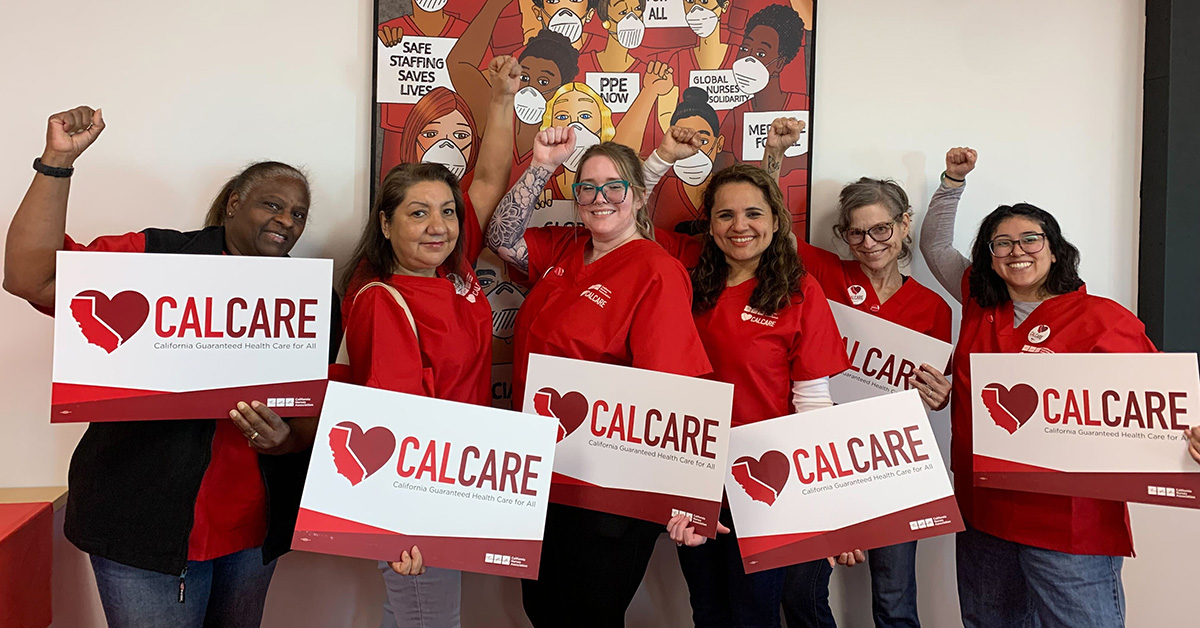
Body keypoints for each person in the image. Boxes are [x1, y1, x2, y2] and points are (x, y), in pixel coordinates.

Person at [3, 106, 335, 628]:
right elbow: (29, 278)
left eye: (299, 215)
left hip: (250, 538)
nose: (287, 221)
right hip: (140, 531)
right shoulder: (155, 260)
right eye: (273, 204)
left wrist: (286, 441)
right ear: (232, 203)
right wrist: (57, 163)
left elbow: (315, 413)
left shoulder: (311, 302)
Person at [919, 147, 1158, 628]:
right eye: (1001, 244)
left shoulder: (1102, 318)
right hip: (984, 513)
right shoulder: (979, 302)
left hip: (1068, 522)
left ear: (1054, 247)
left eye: (1030, 239)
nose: (1016, 251)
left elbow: (1154, 402)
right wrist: (951, 182)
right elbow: (936, 247)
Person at [486, 126, 712, 627]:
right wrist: (543, 163)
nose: (599, 197)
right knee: (541, 609)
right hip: (540, 469)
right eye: (586, 186)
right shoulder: (566, 247)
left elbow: (672, 386)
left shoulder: (656, 269)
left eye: (613, 186)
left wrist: (686, 496)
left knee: (589, 614)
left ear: (637, 194)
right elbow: (500, 238)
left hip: (609, 484)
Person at [338, 56, 521, 628]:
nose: (438, 225)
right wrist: (404, 524)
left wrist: (499, 101)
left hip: (460, 480)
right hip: (419, 497)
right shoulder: (381, 300)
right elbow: (388, 419)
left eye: (447, 212)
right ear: (387, 224)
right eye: (418, 214)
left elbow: (488, 181)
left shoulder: (455, 274)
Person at [761, 118, 953, 628]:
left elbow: (933, 391)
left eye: (881, 229)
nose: (868, 242)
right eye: (855, 232)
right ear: (843, 235)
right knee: (802, 592)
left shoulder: (933, 306)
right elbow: (773, 228)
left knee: (894, 599)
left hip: (892, 459)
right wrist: (774, 156)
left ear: (905, 224)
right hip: (820, 455)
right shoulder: (826, 273)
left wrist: (940, 396)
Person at [658, 163, 853, 628]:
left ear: (775, 220)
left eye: (753, 213)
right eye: (725, 215)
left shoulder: (800, 292)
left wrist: (826, 505)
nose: (739, 226)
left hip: (767, 489)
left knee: (754, 615)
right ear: (709, 224)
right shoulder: (685, 286)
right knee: (707, 610)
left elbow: (812, 405)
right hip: (695, 478)